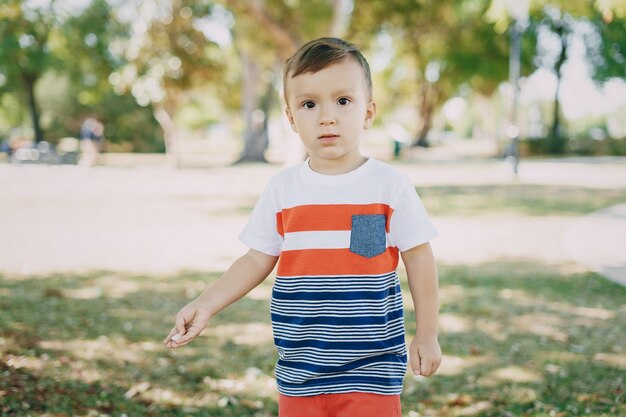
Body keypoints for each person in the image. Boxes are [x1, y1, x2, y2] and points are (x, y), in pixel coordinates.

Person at [164, 37, 441, 417]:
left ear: (368, 112)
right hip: (300, 372)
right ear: (292, 118)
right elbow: (256, 258)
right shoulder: (283, 189)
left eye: (343, 101)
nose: (327, 116)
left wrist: (427, 334)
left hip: (371, 370)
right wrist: (206, 303)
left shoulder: (389, 187)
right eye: (309, 104)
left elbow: (420, 259)